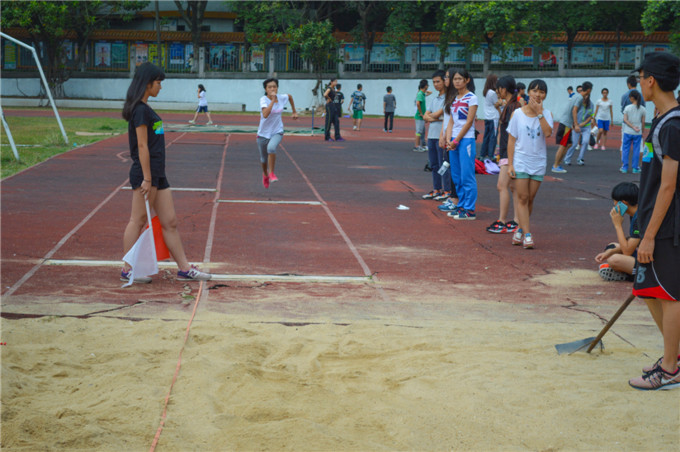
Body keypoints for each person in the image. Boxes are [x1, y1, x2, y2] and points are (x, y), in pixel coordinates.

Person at [121, 62, 211, 284]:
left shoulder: (146, 109)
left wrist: (154, 176)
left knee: (170, 222)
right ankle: (127, 269)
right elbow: (142, 146)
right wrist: (147, 178)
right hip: (146, 174)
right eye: (158, 83)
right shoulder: (140, 111)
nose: (160, 87)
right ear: (147, 83)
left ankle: (184, 269)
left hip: (158, 174)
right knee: (137, 220)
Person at [628, 51, 680, 391]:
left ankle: (671, 368)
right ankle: (673, 356)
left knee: (669, 294)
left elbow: (669, 185)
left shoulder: (673, 125)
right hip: (651, 220)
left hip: (666, 227)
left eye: (641, 77)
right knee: (647, 290)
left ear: (651, 81)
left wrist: (649, 235)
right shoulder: (662, 119)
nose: (639, 83)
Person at [507, 79, 553, 249]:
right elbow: (511, 140)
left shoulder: (547, 114)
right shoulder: (517, 114)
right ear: (528, 92)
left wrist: (539, 113)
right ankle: (527, 235)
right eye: (534, 91)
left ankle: (520, 229)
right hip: (521, 160)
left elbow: (548, 133)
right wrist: (510, 164)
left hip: (538, 161)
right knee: (523, 197)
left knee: (530, 198)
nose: (538, 95)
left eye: (542, 92)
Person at [486, 75, 521, 234]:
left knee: (502, 186)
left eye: (498, 89)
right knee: (512, 187)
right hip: (508, 152)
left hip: (511, 153)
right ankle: (515, 221)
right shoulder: (511, 105)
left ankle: (503, 221)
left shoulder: (514, 107)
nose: (497, 92)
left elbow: (513, 133)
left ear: (504, 89)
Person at [444, 67, 478, 220]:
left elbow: (469, 122)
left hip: (466, 140)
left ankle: (469, 209)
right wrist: (448, 139)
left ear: (467, 80)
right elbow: (451, 121)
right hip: (453, 141)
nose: (456, 82)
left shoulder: (472, 98)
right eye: (455, 79)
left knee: (466, 175)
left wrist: (456, 140)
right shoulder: (454, 98)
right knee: (456, 176)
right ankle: (461, 206)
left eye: (459, 79)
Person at [257, 78, 298, 188]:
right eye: (269, 87)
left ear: (277, 88)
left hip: (277, 131)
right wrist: (272, 100)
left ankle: (271, 173)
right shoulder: (263, 100)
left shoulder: (282, 97)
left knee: (271, 148)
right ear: (266, 89)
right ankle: (265, 174)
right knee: (263, 159)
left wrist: (294, 111)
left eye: (274, 87)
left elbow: (290, 96)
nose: (272, 89)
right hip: (263, 133)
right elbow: (265, 114)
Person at [595, 182, 640, 281]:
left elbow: (627, 251)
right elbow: (631, 243)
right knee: (612, 246)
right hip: (642, 252)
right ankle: (624, 270)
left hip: (653, 261)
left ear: (623, 202)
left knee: (614, 260)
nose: (614, 205)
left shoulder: (639, 217)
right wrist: (610, 251)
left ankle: (632, 275)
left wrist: (618, 225)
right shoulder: (634, 214)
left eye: (614, 201)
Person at [422, 70, 452, 201]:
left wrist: (432, 117)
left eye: (438, 81)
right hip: (431, 136)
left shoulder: (448, 98)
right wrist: (435, 118)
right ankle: (437, 189)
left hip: (442, 136)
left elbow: (436, 114)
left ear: (444, 81)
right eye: (433, 82)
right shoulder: (435, 99)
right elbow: (425, 116)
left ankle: (447, 190)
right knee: (434, 164)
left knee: (443, 164)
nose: (435, 84)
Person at [551, 81, 592, 173]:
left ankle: (558, 164)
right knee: (563, 145)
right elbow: (574, 110)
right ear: (589, 90)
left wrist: (573, 124)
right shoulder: (580, 98)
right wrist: (576, 124)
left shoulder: (576, 96)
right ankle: (555, 165)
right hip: (566, 123)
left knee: (569, 144)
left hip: (567, 123)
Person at [563, 87, 595, 166]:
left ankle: (580, 158)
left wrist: (584, 123)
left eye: (587, 95)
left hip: (586, 126)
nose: (585, 97)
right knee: (574, 143)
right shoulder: (577, 103)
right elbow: (572, 113)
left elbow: (591, 116)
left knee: (585, 142)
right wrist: (575, 124)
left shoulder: (591, 104)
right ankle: (567, 159)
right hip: (576, 125)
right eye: (584, 95)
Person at [621, 90, 646, 174]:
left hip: (628, 131)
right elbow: (643, 122)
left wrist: (632, 127)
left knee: (625, 149)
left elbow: (625, 120)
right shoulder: (643, 109)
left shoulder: (627, 108)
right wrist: (642, 131)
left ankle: (624, 167)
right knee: (636, 150)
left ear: (632, 98)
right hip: (637, 133)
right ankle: (635, 168)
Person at [480, 74, 501, 160]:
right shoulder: (492, 93)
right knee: (493, 137)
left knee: (486, 136)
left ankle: (483, 154)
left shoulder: (486, 91)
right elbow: (497, 104)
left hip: (487, 116)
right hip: (494, 117)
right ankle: (490, 155)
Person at [414, 79, 429, 152]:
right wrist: (421, 113)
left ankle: (423, 145)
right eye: (427, 85)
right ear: (425, 86)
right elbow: (418, 103)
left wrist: (425, 90)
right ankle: (417, 146)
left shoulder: (422, 93)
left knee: (422, 132)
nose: (428, 86)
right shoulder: (420, 94)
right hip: (419, 116)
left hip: (422, 116)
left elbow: (430, 92)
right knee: (419, 132)